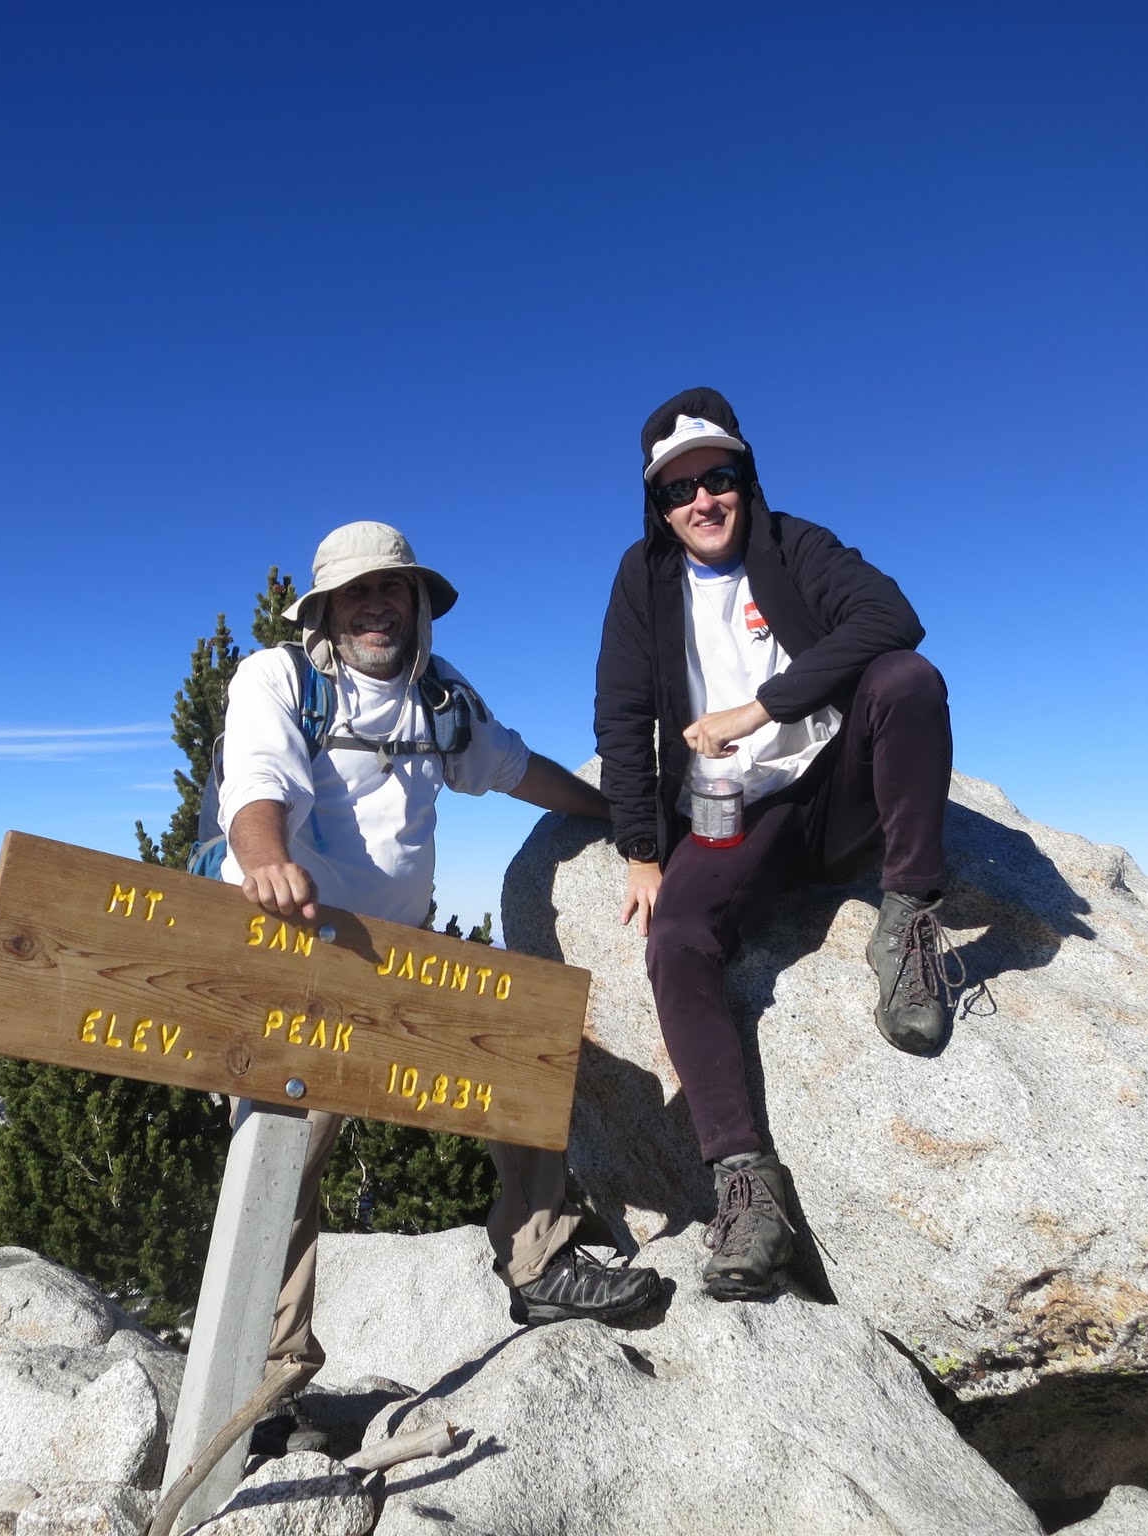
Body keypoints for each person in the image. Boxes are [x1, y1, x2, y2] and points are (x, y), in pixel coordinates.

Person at [220, 520, 660, 1443]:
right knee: (282, 1164)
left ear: (417, 605)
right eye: (357, 593)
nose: (378, 605)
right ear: (327, 612)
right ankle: (269, 1384)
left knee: (516, 1050)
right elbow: (255, 780)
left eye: (395, 590)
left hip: (396, 950)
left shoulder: (439, 696)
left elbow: (512, 768)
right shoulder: (280, 681)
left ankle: (539, 1266)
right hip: (287, 951)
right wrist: (262, 857)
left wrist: (622, 812)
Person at [593, 386, 962, 1301]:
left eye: (718, 477)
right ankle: (748, 1188)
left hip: (832, 790)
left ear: (744, 478)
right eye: (680, 491)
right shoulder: (643, 582)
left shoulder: (796, 545)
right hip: (732, 817)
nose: (702, 502)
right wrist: (643, 849)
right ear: (659, 506)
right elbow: (622, 715)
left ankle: (907, 917)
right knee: (675, 942)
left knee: (907, 684)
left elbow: (892, 620)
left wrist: (762, 707)